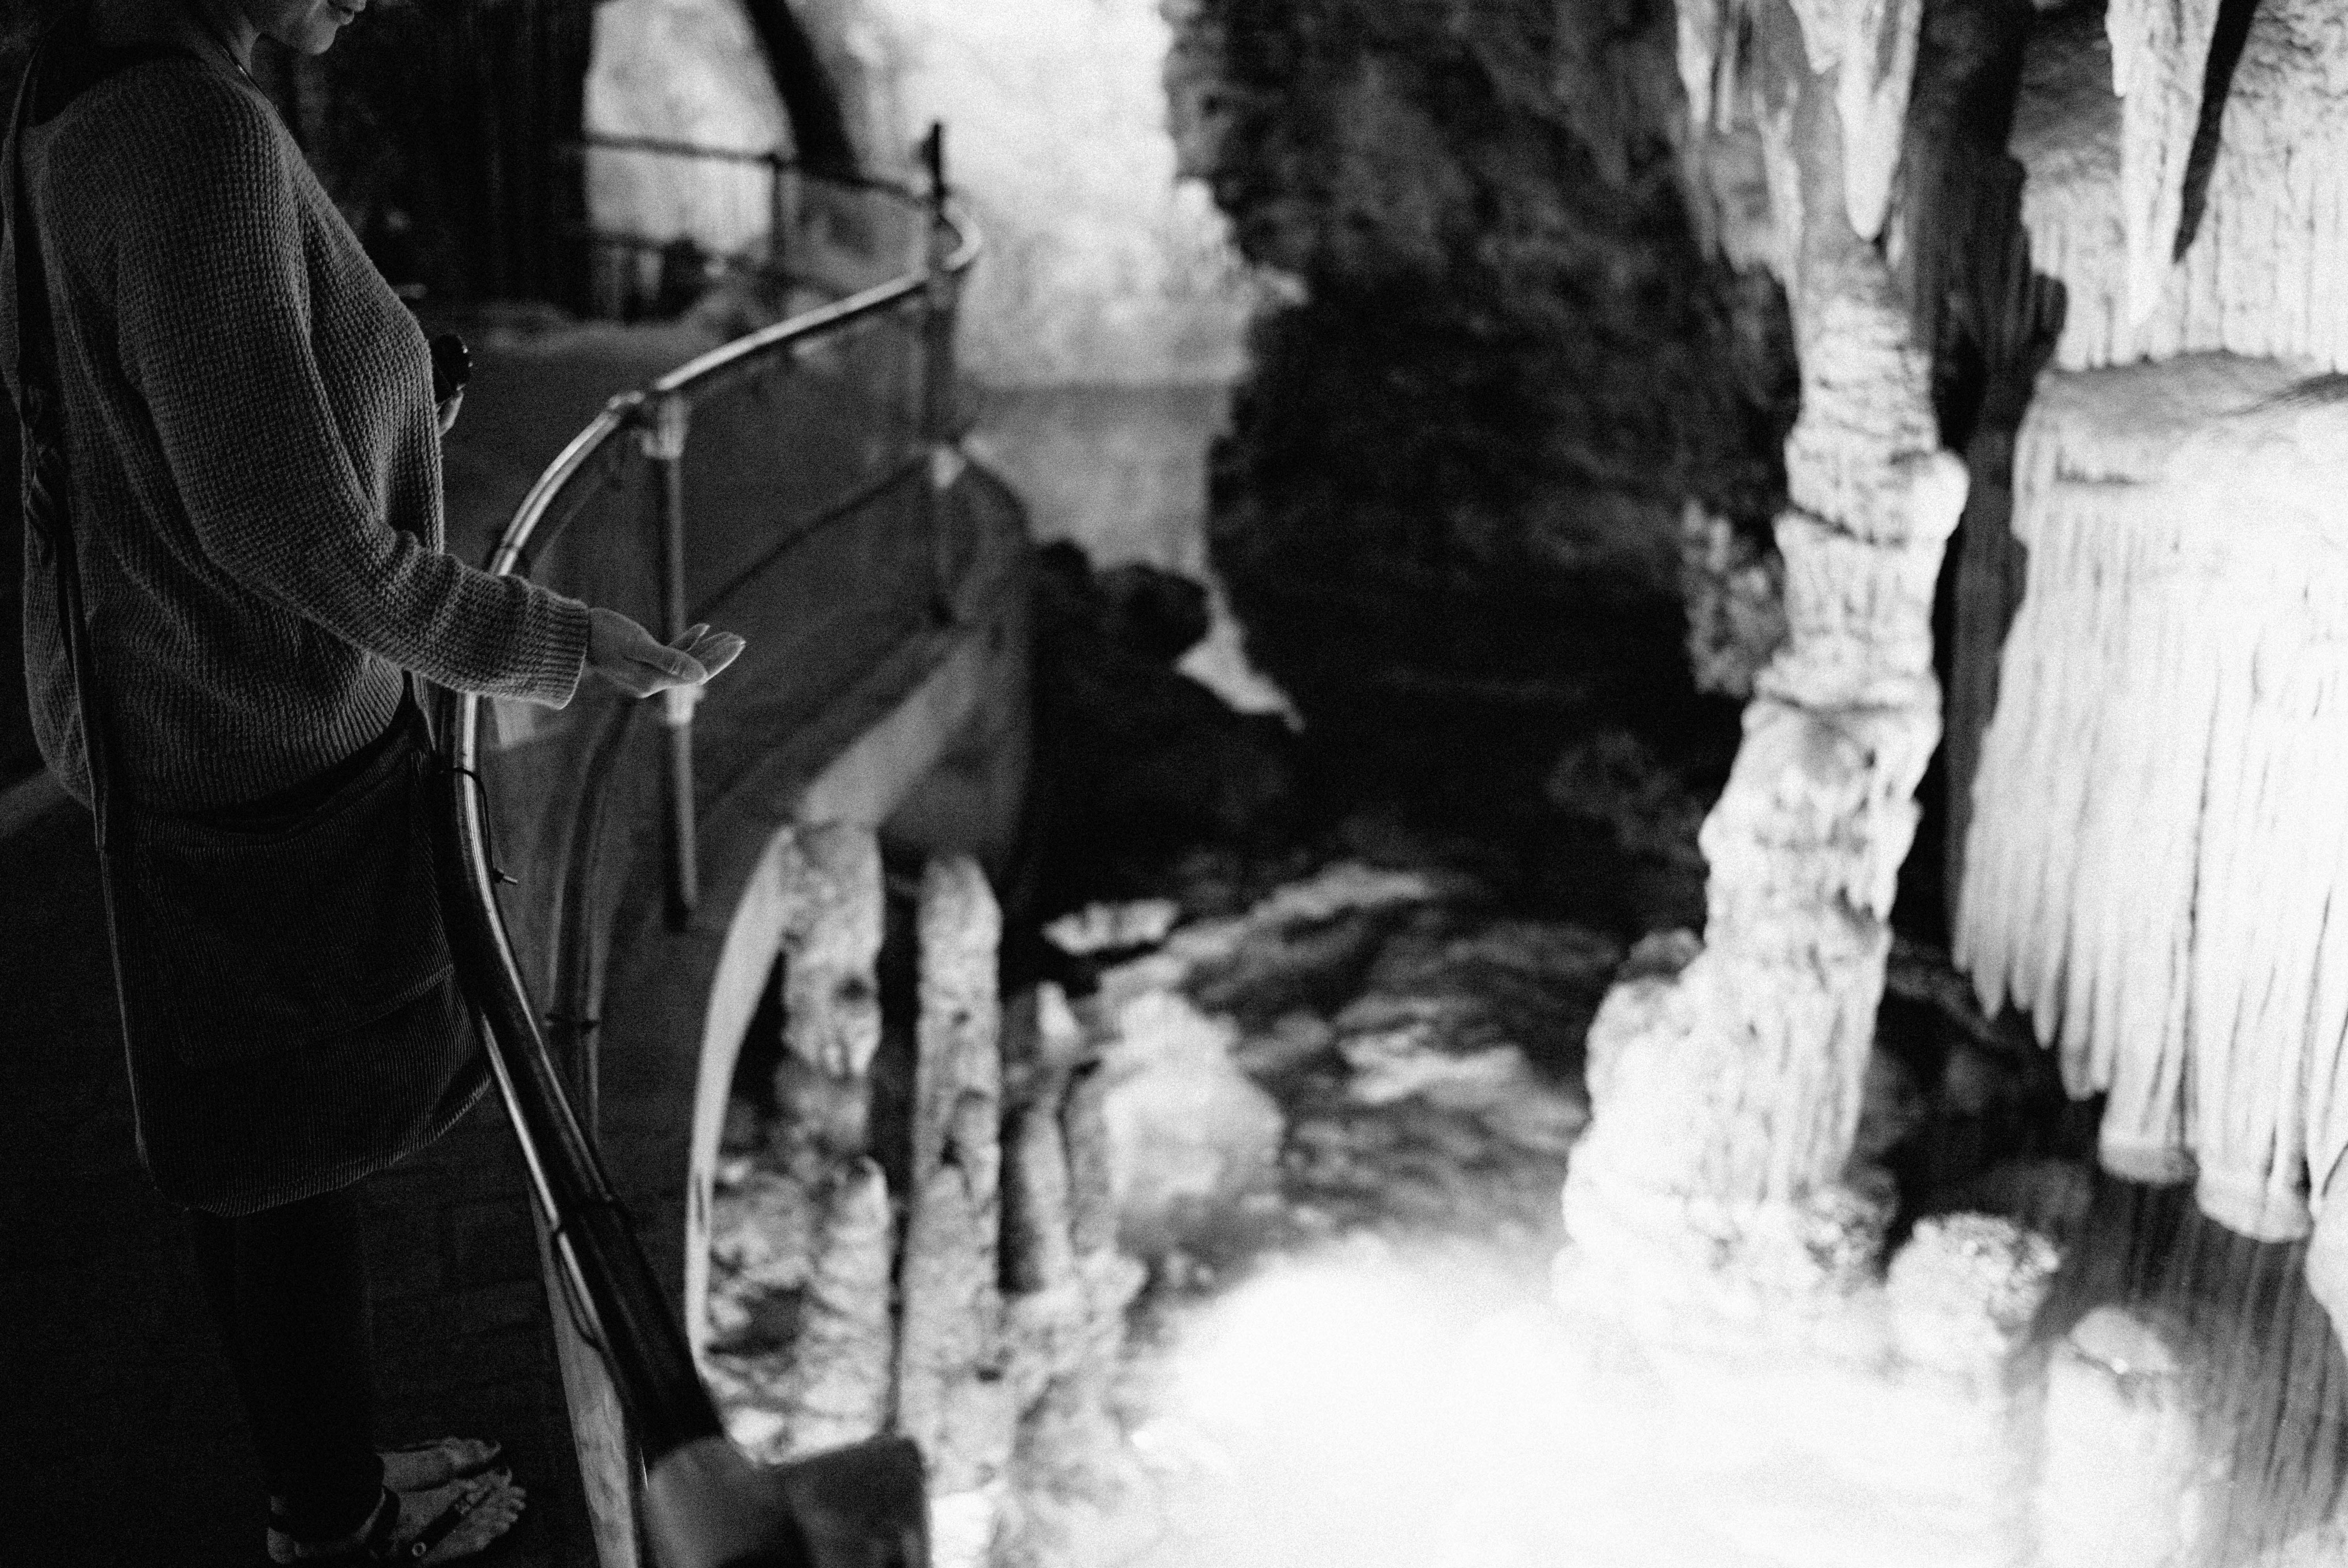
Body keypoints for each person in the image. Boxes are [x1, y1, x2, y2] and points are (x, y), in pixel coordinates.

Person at [3, 0, 745, 1561]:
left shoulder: (72, 92)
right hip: (246, 731)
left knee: (251, 1161)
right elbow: (295, 537)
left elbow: (164, 420)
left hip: (158, 711)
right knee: (290, 1163)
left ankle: (324, 1485)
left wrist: (392, 398)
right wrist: (563, 644)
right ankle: (338, 1528)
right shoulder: (193, 133)